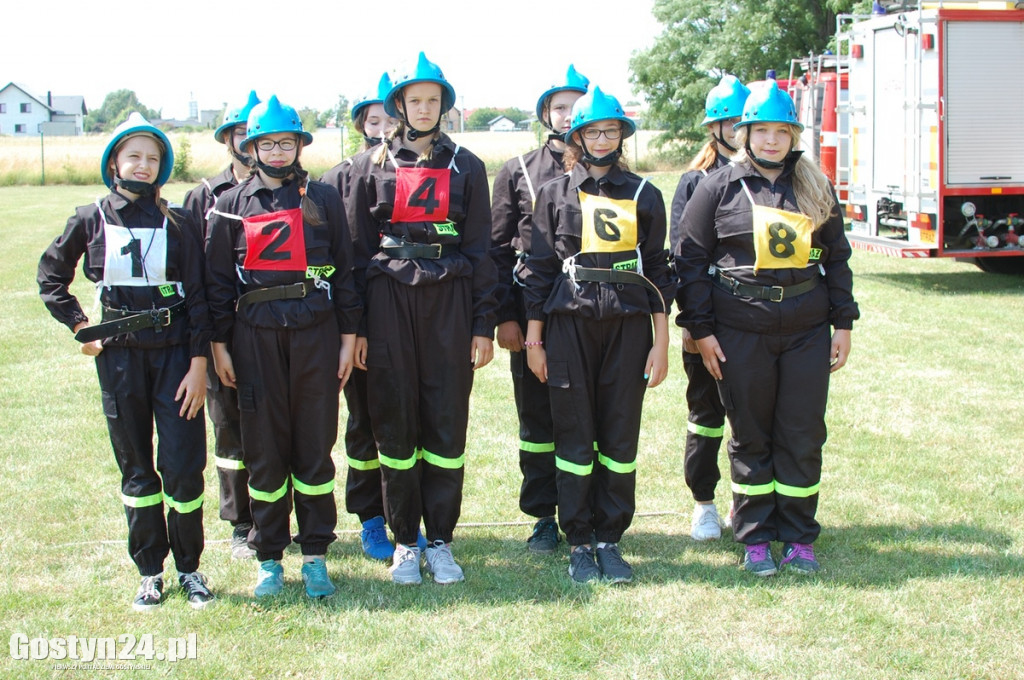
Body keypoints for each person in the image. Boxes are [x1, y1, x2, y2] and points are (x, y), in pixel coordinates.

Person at [674, 80, 859, 576]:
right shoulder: (715, 186)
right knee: (751, 434)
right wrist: (701, 329)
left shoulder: (816, 186)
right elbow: (689, 262)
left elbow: (837, 260)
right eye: (762, 131)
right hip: (739, 330)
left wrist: (843, 322)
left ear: (794, 135)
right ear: (744, 133)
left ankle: (798, 535)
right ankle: (755, 535)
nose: (772, 141)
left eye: (782, 131)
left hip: (805, 329)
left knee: (801, 433)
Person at [37, 112, 214, 611]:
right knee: (137, 469)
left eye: (152, 157)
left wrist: (198, 363)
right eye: (133, 155)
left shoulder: (179, 221)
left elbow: (199, 297)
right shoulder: (90, 216)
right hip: (119, 362)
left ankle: (190, 568)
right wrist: (79, 326)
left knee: (182, 467)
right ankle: (149, 572)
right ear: (114, 160)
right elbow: (51, 276)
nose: (143, 164)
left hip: (177, 357)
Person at [345, 52, 499, 585]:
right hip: (388, 301)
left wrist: (483, 325)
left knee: (445, 417)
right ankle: (404, 541)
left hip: (449, 301)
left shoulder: (468, 167)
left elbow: (482, 250)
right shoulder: (370, 168)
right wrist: (358, 328)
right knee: (394, 419)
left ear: (445, 106)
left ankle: (440, 540)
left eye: (434, 100)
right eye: (416, 100)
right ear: (400, 106)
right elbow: (356, 252)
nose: (426, 108)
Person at [205, 95, 361, 598]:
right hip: (254, 340)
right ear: (249, 147)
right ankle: (268, 555)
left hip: (315, 334)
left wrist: (348, 337)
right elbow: (216, 286)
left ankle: (314, 554)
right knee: (265, 451)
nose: (276, 151)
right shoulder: (229, 206)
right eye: (267, 143)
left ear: (298, 145)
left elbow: (344, 269)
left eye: (286, 142)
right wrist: (220, 347)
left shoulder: (324, 198)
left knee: (314, 447)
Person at [520, 86, 674, 584]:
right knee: (574, 432)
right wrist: (534, 341)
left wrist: (662, 340)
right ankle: (579, 540)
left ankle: (610, 538)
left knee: (619, 433)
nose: (602, 139)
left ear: (622, 135)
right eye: (592, 131)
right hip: (569, 327)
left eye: (611, 130)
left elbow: (658, 274)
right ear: (577, 136)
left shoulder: (645, 194)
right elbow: (539, 272)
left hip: (628, 329)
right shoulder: (554, 193)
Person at [321, 74, 425, 561]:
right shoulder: (345, 174)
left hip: (410, 314)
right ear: (363, 123)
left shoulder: (420, 166)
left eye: (389, 119)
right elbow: (347, 257)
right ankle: (371, 517)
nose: (384, 126)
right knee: (365, 421)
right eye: (374, 120)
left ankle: (411, 514)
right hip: (363, 318)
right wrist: (353, 326)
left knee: (411, 420)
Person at [490, 64, 589, 555]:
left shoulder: (606, 174)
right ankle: (543, 517)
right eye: (562, 106)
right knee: (537, 421)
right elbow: (495, 250)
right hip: (531, 310)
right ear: (546, 114)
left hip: (591, 315)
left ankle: (584, 513)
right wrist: (505, 317)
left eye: (579, 105)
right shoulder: (518, 170)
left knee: (587, 417)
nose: (570, 115)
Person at [668, 75, 750, 542]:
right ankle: (703, 503)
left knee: (752, 417)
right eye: (731, 121)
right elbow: (683, 255)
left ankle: (749, 502)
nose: (740, 129)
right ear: (714, 128)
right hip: (707, 318)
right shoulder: (695, 181)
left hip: (754, 320)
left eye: (745, 120)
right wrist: (691, 323)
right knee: (706, 413)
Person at [182, 90, 261, 561]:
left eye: (260, 135)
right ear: (229, 139)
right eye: (242, 134)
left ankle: (276, 517)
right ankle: (240, 522)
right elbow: (196, 274)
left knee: (273, 423)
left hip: (273, 328)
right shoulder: (203, 197)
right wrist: (213, 343)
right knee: (229, 426)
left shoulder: (293, 192)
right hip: (223, 329)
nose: (251, 143)